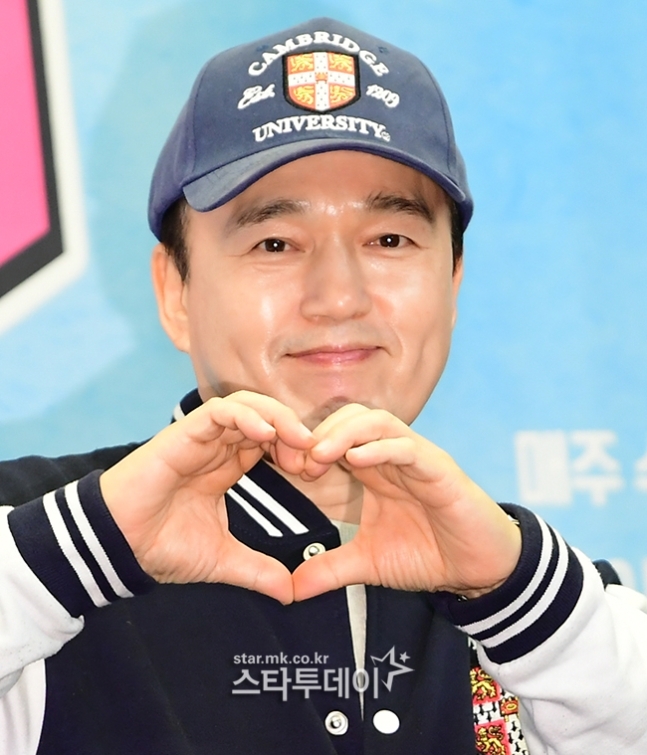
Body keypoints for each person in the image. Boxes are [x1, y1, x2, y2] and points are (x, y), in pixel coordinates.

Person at [1, 17, 646, 755]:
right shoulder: (37, 554)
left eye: (389, 240)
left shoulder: (541, 610)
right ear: (175, 290)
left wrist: (517, 593)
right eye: (274, 242)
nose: (338, 297)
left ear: (452, 282)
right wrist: (78, 551)